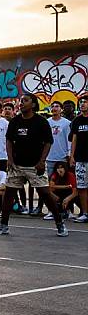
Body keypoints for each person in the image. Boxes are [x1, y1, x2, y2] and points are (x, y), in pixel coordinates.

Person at [0, 93, 68, 237]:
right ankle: (3, 225)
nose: (21, 103)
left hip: (35, 165)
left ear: (33, 105)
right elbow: (9, 141)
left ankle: (59, 222)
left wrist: (42, 161)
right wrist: (10, 159)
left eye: (25, 101)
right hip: (17, 165)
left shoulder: (41, 122)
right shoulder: (15, 121)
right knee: (9, 194)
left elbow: (48, 142)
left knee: (45, 194)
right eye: (21, 101)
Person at [70, 94, 88, 223]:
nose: (83, 104)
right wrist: (72, 156)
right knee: (82, 187)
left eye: (85, 102)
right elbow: (74, 140)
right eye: (81, 102)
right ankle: (85, 213)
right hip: (80, 159)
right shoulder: (77, 121)